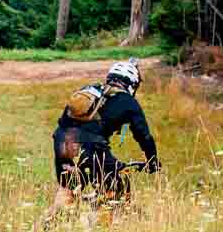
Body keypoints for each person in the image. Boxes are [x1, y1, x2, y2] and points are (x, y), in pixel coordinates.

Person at [50, 59, 160, 216]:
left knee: (68, 189)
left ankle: (48, 224)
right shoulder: (128, 102)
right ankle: (102, 229)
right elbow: (144, 136)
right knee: (116, 189)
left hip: (61, 142)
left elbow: (66, 121)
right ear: (132, 84)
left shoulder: (90, 90)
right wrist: (152, 161)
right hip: (90, 146)